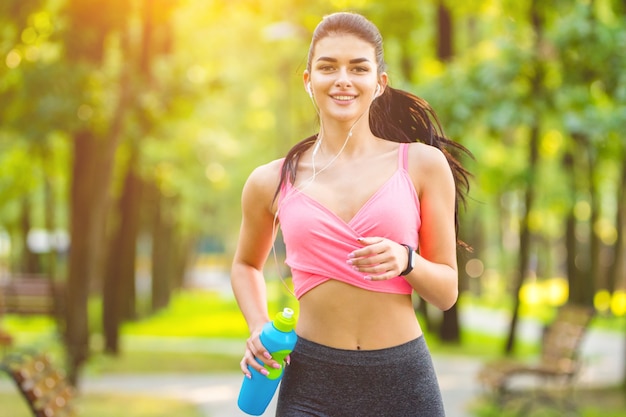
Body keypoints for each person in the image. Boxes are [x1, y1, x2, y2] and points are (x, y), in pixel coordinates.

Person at [231, 11, 471, 417]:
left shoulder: (423, 166)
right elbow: (245, 264)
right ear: (309, 81)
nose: (343, 78)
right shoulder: (270, 180)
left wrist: (406, 261)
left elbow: (446, 292)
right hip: (311, 382)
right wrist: (258, 326)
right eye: (328, 67)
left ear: (379, 84)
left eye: (358, 67)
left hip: (402, 381)